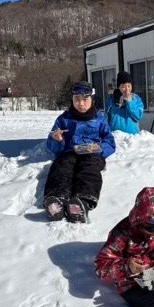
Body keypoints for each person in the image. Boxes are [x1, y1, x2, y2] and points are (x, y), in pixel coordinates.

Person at [43, 81, 115, 223]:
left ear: (91, 100)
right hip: (69, 152)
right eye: (77, 99)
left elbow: (110, 141)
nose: (80, 104)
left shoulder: (99, 119)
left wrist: (99, 149)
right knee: (61, 168)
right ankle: (57, 199)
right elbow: (51, 144)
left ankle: (83, 201)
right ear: (72, 99)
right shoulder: (64, 119)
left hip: (91, 152)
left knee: (89, 170)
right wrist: (57, 140)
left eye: (85, 100)